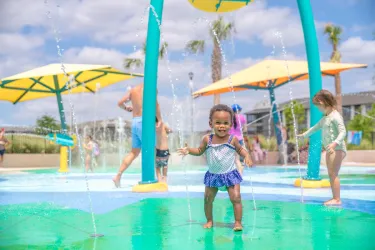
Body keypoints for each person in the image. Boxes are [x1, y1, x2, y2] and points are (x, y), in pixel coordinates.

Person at [178, 104, 253, 231]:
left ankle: (238, 222)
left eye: (225, 123)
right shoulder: (207, 139)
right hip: (213, 176)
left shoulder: (232, 139)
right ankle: (209, 220)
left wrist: (247, 156)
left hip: (230, 175)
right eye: (218, 122)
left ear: (230, 124)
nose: (222, 126)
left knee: (236, 198)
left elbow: (241, 150)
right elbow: (199, 150)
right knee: (208, 199)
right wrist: (189, 150)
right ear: (210, 123)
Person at [297, 89, 346, 206]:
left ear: (323, 102)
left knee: (333, 173)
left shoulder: (335, 116)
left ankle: (337, 199)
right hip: (331, 149)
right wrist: (304, 135)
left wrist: (334, 143)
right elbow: (315, 127)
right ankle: (335, 198)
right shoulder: (325, 118)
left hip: (337, 148)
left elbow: (343, 132)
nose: (317, 108)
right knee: (331, 173)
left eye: (317, 105)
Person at [113, 83, 162, 187]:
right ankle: (159, 178)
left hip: (135, 122)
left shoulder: (133, 90)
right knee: (153, 150)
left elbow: (120, 103)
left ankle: (118, 175)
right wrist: (160, 120)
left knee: (134, 152)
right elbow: (156, 104)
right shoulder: (151, 87)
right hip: (145, 122)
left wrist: (127, 109)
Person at [229, 104, 247, 175]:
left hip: (231, 139)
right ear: (239, 110)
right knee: (237, 159)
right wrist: (240, 129)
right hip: (240, 140)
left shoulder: (230, 118)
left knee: (232, 159)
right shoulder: (242, 117)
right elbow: (245, 129)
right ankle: (240, 175)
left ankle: (233, 175)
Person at [155, 119, 172, 183]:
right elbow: (170, 130)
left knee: (157, 167)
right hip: (165, 150)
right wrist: (167, 131)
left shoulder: (153, 127)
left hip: (158, 150)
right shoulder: (163, 125)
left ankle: (160, 180)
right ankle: (164, 179)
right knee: (165, 166)